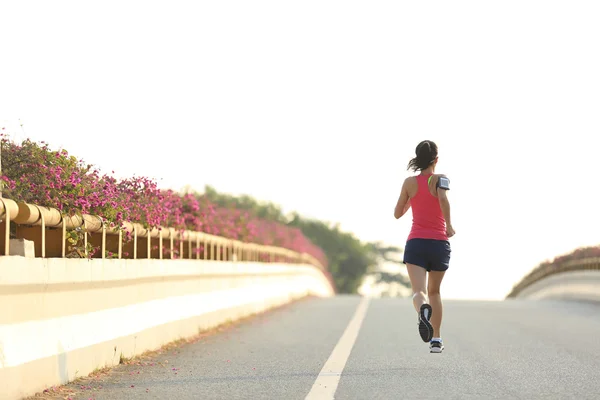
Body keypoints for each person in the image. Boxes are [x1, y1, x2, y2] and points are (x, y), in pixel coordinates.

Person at [393, 140, 455, 354]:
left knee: (419, 291)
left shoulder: (409, 183)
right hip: (438, 243)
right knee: (435, 292)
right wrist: (449, 225)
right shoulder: (442, 179)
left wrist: (412, 198)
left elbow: (397, 213)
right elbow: (443, 200)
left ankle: (422, 311)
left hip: (416, 243)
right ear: (436, 159)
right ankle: (436, 340)